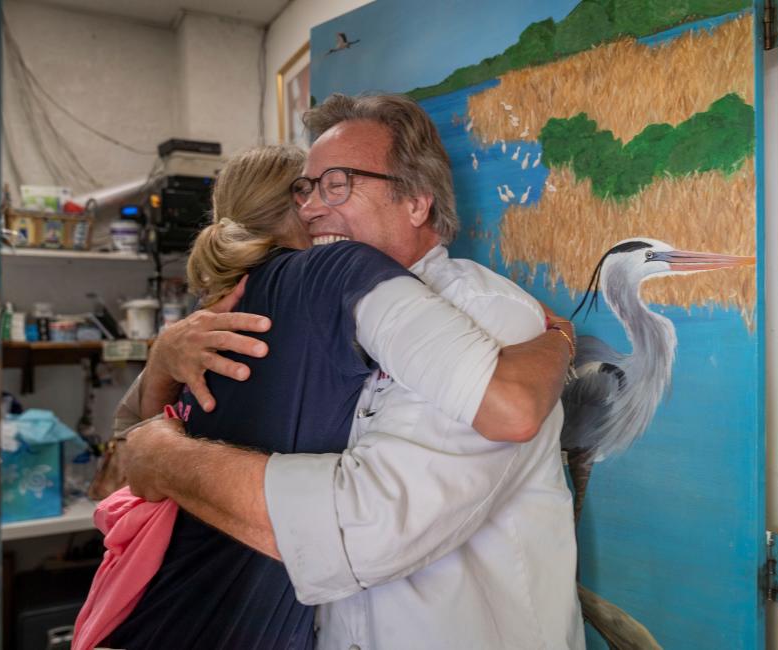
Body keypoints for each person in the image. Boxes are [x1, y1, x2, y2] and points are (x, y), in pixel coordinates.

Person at [116, 94, 585, 649]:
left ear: (416, 200)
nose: (310, 209)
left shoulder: (488, 317)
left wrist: (165, 458)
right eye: (306, 188)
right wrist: (162, 365)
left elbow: (367, 530)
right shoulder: (321, 313)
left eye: (336, 183)